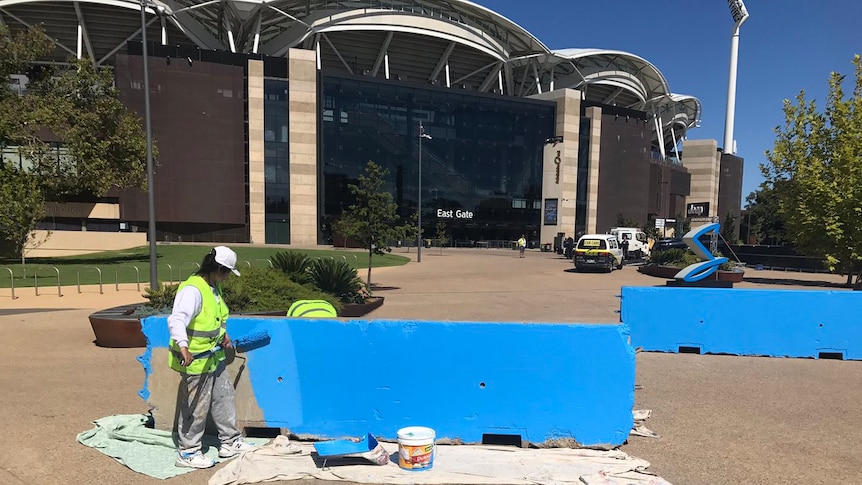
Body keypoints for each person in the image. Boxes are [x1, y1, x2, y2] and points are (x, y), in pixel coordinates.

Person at [167, 246, 255, 469]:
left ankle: (230, 441)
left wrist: (224, 335)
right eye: (226, 272)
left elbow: (216, 317)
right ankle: (187, 452)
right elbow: (177, 320)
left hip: (213, 356)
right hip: (195, 359)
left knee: (224, 396)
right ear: (217, 268)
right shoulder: (192, 290)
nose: (227, 277)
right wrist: (184, 348)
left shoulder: (212, 287)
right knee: (195, 406)